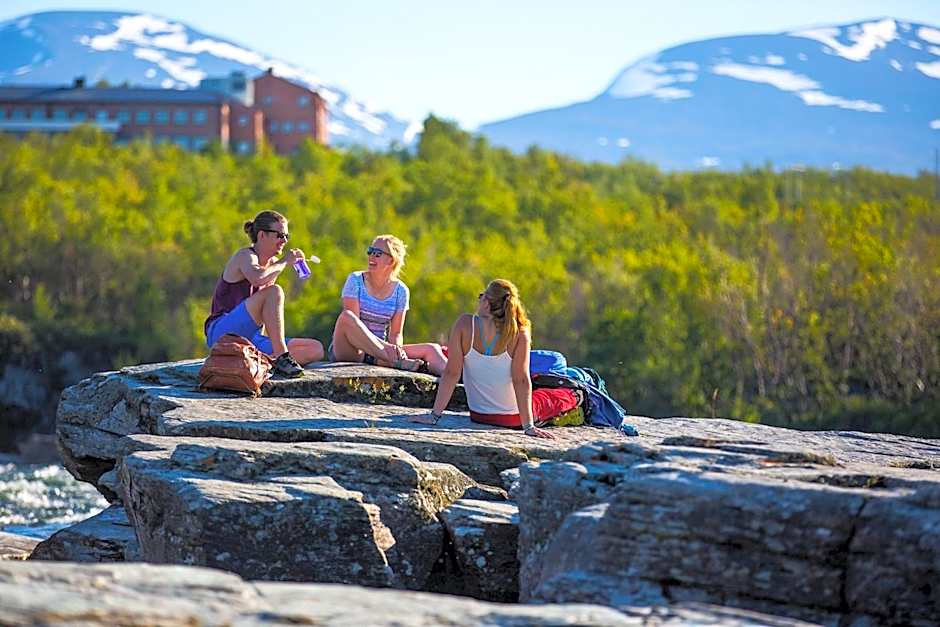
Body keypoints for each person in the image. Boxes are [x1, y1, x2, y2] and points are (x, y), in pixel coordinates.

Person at [411, 279, 566, 439]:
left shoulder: (464, 324)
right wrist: (528, 426)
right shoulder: (520, 333)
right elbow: (521, 380)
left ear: (486, 303)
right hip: (513, 419)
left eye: (481, 296)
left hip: (479, 415)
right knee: (561, 395)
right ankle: (578, 396)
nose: (479, 299)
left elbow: (451, 373)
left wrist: (434, 416)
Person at [204, 210, 324, 377]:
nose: (284, 241)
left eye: (287, 236)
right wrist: (284, 262)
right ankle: (282, 357)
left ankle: (263, 361)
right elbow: (257, 278)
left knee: (315, 349)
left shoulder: (273, 264)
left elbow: (268, 315)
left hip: (251, 339)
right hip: (222, 333)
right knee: (275, 291)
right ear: (262, 235)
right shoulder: (245, 256)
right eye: (280, 235)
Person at [330, 234, 447, 375]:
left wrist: (396, 349)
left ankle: (459, 379)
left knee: (432, 348)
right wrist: (388, 350)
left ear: (391, 260)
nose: (371, 257)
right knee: (346, 317)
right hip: (353, 349)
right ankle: (391, 361)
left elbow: (396, 333)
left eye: (377, 254)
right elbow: (352, 328)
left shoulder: (401, 291)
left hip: (381, 351)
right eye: (370, 251)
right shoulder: (355, 280)